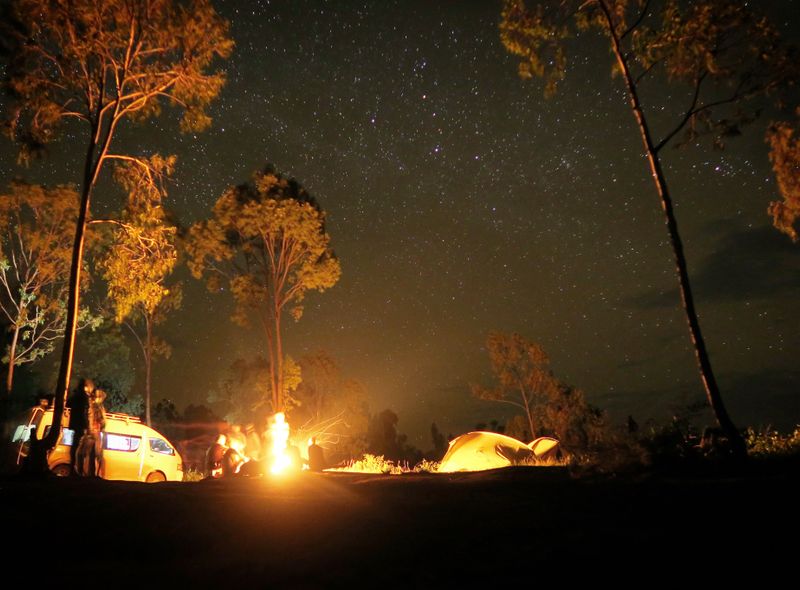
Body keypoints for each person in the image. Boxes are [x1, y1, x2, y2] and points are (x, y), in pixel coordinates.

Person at [75, 380, 106, 477]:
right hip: (92, 433)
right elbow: (102, 421)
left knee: (89, 454)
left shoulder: (95, 406)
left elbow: (101, 420)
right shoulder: (94, 406)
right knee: (89, 454)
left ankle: (90, 473)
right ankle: (90, 473)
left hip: (92, 433)